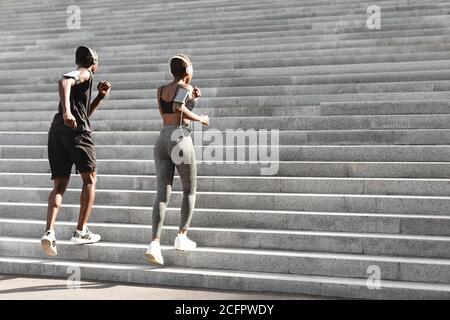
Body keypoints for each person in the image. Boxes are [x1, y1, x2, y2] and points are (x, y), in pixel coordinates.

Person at [40, 45, 111, 256]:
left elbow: (84, 113)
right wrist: (68, 112)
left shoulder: (86, 82)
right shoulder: (85, 72)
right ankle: (81, 231)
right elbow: (64, 81)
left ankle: (49, 233)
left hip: (58, 132)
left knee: (59, 185)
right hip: (77, 132)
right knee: (90, 180)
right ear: (93, 62)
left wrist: (100, 96)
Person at [145, 54, 209, 265]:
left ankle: (154, 243)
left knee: (162, 194)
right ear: (187, 71)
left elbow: (169, 112)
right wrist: (201, 118)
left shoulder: (161, 89)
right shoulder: (186, 87)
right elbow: (178, 109)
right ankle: (182, 236)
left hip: (162, 138)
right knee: (189, 189)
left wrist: (193, 102)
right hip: (180, 138)